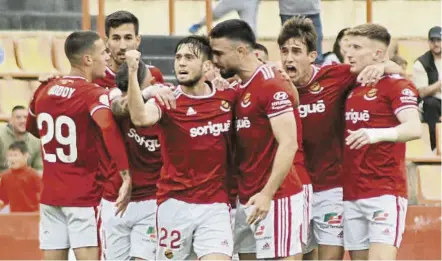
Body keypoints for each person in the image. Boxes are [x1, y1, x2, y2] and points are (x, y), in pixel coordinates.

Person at [277, 17, 405, 260]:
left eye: (296, 51)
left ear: (312, 55)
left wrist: (382, 66)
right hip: (292, 188)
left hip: (331, 188)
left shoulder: (335, 76)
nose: (288, 58)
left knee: (330, 256)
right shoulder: (275, 84)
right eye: (284, 51)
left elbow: (397, 71)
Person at [126, 35, 235, 260]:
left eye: (189, 57)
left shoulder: (227, 97)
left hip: (215, 204)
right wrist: (132, 72)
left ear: (207, 66)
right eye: (178, 57)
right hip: (175, 204)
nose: (181, 63)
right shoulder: (168, 99)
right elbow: (139, 118)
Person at [25, 31, 131, 260]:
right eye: (103, 52)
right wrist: (126, 173)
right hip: (83, 195)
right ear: (88, 59)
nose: (107, 57)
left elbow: (32, 128)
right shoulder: (92, 94)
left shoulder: (44, 88)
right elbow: (107, 127)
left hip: (51, 195)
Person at [210, 19, 303, 260]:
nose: (215, 60)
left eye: (219, 53)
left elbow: (289, 143)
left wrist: (267, 193)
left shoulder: (271, 84)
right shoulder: (241, 86)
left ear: (241, 51)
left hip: (275, 198)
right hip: (247, 197)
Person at [343, 23, 421, 260]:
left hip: (384, 192)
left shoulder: (396, 85)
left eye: (357, 47)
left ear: (378, 53)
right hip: (351, 191)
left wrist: (375, 134)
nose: (349, 53)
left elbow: (414, 127)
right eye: (348, 47)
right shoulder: (351, 82)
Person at [98, 60, 172, 261]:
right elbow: (118, 106)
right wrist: (145, 93)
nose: (155, 80)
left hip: (151, 199)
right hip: (116, 200)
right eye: (150, 80)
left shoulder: (163, 100)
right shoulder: (114, 98)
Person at [412, 26, 441, 150]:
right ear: (429, 42)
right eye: (432, 41)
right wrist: (439, 84)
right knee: (431, 104)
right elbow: (422, 92)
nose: (436, 44)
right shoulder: (421, 63)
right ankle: (434, 147)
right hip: (432, 103)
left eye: (439, 40)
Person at [0, 141, 41, 212]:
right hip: (14, 217)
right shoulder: (4, 176)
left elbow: (44, 195)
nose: (12, 159)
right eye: (10, 155)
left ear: (25, 156)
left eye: (15, 155)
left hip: (33, 215)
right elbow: (3, 198)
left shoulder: (33, 175)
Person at [0, 106, 42, 172]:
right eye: (18, 117)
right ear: (10, 120)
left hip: (26, 180)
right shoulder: (1, 136)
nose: (23, 121)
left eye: (26, 117)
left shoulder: (36, 140)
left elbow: (39, 168)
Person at [188, 0, 260, 35]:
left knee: (250, 26)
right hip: (230, 1)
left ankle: (253, 47)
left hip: (249, 1)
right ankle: (198, 24)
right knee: (214, 13)